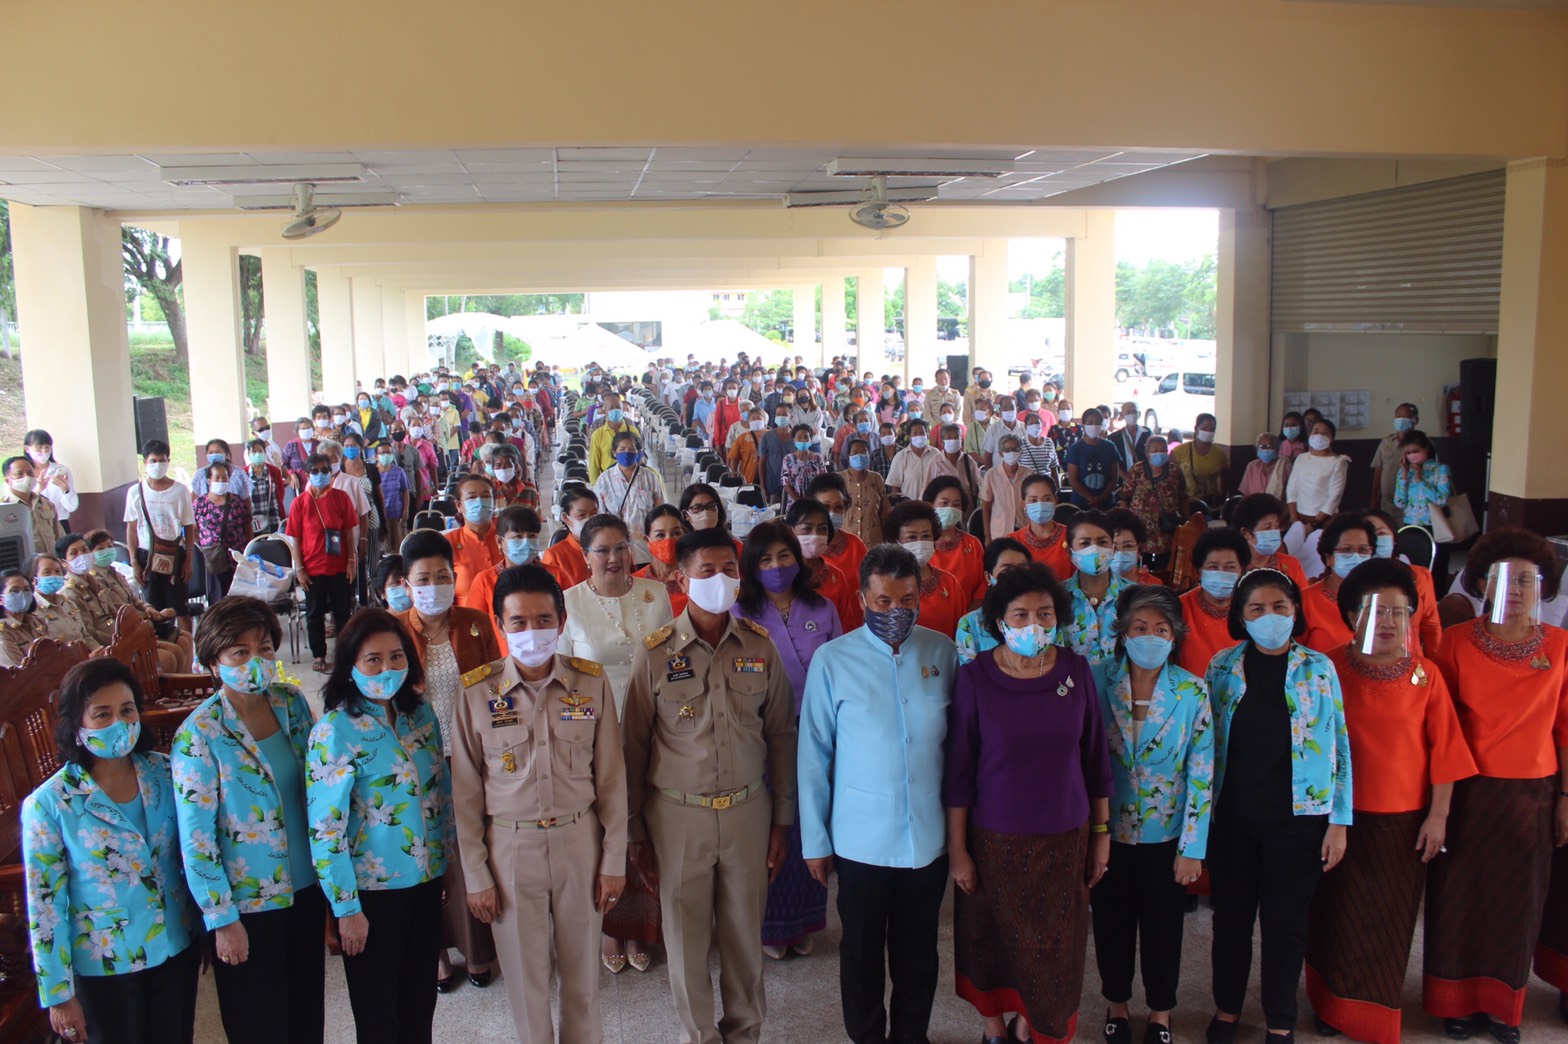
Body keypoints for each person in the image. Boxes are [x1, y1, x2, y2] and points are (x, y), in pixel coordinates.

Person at [621, 528, 797, 1044]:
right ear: (681, 578)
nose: (720, 580)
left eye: (729, 570)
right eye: (706, 571)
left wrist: (782, 819)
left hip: (748, 811)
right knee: (685, 939)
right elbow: (633, 746)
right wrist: (634, 832)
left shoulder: (760, 648)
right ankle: (698, 1035)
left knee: (745, 936)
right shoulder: (653, 654)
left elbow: (782, 733)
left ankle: (744, 1032)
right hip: (677, 817)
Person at [449, 564, 628, 1043]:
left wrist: (614, 860)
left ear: (562, 620)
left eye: (544, 620)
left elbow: (611, 779)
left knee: (583, 980)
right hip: (510, 847)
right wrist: (477, 873)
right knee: (527, 988)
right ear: (500, 626)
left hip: (579, 842)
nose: (533, 632)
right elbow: (465, 795)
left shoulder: (591, 683)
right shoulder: (476, 693)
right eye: (519, 623)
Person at [1306, 559, 1476, 1044]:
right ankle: (1328, 1001)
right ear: (1354, 615)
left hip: (1403, 824)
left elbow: (1447, 753)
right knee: (1334, 915)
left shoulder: (1428, 676)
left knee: (1389, 920)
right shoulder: (1328, 668)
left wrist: (1438, 817)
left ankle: (1375, 1010)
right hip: (1337, 818)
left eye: (1400, 613)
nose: (1388, 623)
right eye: (1376, 611)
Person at [945, 562, 1113, 1044]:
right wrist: (959, 852)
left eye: (1043, 614)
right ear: (999, 620)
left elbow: (1096, 760)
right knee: (991, 939)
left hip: (1065, 838)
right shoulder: (976, 677)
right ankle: (993, 1025)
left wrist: (1101, 838)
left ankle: (1032, 1023)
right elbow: (959, 773)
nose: (1032, 625)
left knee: (1053, 947)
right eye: (1020, 615)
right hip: (994, 840)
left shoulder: (1076, 670)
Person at [799, 542, 954, 1044]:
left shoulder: (941, 652)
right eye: (884, 601)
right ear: (864, 599)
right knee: (861, 955)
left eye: (907, 600)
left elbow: (958, 746)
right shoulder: (833, 659)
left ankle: (911, 1036)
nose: (896, 611)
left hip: (927, 839)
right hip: (860, 840)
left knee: (919, 954)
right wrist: (816, 842)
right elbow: (813, 756)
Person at [1424, 530, 1568, 1042]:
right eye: (1502, 579)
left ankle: (1504, 1007)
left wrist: (1565, 799)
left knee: (1519, 902)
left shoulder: (1560, 646)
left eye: (1527, 580)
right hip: (1468, 790)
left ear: (1543, 587)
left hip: (1534, 793)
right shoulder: (1457, 642)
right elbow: (1437, 725)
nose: (1515, 590)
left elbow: (1566, 729)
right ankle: (1456, 1003)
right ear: (1483, 583)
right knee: (1458, 896)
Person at [1204, 568, 1351, 1044]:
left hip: (1300, 824)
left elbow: (1340, 748)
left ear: (1296, 612)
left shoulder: (1319, 668)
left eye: (1280, 607)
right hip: (1233, 821)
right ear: (1241, 619)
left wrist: (1339, 821)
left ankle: (1280, 1021)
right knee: (1230, 922)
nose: (1270, 617)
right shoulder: (1221, 667)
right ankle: (1226, 1010)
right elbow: (1205, 747)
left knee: (1285, 927)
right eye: (1257, 609)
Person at [171, 597, 325, 1044]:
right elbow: (195, 840)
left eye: (264, 648)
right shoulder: (199, 734)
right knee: (258, 1022)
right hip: (247, 904)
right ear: (214, 661)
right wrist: (221, 919)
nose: (255, 661)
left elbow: (318, 789)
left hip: (307, 889)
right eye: (240, 652)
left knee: (306, 1014)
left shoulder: (291, 703)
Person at [22, 658, 199, 1044]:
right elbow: (45, 906)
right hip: (105, 964)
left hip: (174, 946)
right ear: (76, 724)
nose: (118, 723)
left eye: (127, 710)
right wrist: (58, 994)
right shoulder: (50, 804)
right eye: (102, 714)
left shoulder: (165, 772)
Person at [306, 608, 449, 1044]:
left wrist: (447, 865)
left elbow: (440, 796)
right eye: (373, 660)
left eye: (397, 657)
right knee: (378, 1013)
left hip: (425, 883)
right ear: (350, 665)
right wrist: (346, 910)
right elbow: (325, 830)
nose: (387, 669)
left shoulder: (420, 714)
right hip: (371, 895)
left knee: (419, 1003)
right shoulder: (335, 731)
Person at [1091, 585, 1216, 1044]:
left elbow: (1202, 775)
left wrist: (1192, 848)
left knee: (1164, 929)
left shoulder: (1191, 690)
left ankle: (1161, 1012)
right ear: (1122, 634)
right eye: (1140, 628)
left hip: (1167, 838)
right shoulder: (1096, 680)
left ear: (1174, 635)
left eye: (1160, 629)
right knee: (1111, 923)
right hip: (1109, 834)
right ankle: (1117, 1005)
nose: (1150, 636)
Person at [387, 529, 501, 992]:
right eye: (422, 578)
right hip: (415, 761)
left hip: (469, 756)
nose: (433, 585)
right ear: (406, 583)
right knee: (426, 855)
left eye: (441, 576)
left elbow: (497, 689)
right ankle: (434, 954)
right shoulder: (392, 628)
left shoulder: (474, 621)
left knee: (469, 853)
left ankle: (477, 953)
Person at [732, 521, 841, 961]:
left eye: (784, 557)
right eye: (765, 559)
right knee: (772, 827)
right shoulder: (740, 612)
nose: (776, 567)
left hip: (816, 731)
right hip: (761, 734)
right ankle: (769, 925)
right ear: (751, 567)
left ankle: (806, 920)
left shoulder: (824, 608)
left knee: (808, 824)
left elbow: (837, 671)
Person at [560, 513, 674, 721]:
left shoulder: (657, 593)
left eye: (621, 548)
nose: (614, 558)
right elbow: (563, 677)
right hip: (596, 720)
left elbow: (669, 657)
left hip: (655, 715)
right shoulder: (569, 602)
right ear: (585, 555)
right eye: (603, 551)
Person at [285, 454, 359, 675]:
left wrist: (351, 562)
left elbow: (348, 532)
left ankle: (345, 654)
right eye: (315, 471)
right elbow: (295, 538)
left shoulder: (341, 497)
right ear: (307, 475)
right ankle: (319, 654)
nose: (321, 475)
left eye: (325, 470)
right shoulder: (299, 503)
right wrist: (300, 568)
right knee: (314, 613)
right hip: (312, 568)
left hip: (339, 567)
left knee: (343, 612)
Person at [122, 440, 196, 634]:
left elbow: (189, 527)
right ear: (145, 462)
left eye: (162, 460)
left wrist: (188, 559)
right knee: (152, 609)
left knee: (180, 609)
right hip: (147, 558)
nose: (157, 465)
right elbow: (131, 528)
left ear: (168, 461)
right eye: (153, 461)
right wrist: (134, 561)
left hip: (175, 556)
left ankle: (187, 650)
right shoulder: (135, 493)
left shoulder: (180, 491)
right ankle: (160, 650)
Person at [1362, 509, 1443, 653]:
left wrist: (1432, 666)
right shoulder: (1352, 579)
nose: (1375, 539)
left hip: (1412, 663)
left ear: (1394, 538)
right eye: (1369, 534)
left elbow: (1431, 626)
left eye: (1381, 533)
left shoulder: (1419, 576)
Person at [1060, 511, 1132, 667]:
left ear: (1113, 548)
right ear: (1069, 551)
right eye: (1085, 543)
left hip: (1123, 688)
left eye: (1102, 542)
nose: (1094, 549)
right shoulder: (1056, 597)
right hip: (1073, 688)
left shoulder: (1135, 596)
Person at [1299, 513, 1378, 654]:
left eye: (1363, 550)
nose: (1356, 556)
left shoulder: (1381, 599)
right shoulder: (1306, 601)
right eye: (1346, 550)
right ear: (1329, 558)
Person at [885, 499, 965, 639]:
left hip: (944, 658)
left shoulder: (949, 583)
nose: (920, 542)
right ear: (895, 541)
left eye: (926, 536)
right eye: (912, 537)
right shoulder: (883, 584)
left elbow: (962, 634)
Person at [1178, 529, 1251, 677]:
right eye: (1213, 567)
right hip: (1190, 695)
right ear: (1200, 571)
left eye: (1229, 567)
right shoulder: (1180, 608)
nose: (1221, 573)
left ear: (1241, 571)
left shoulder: (1252, 608)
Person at [954, 538, 1031, 665]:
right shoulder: (970, 624)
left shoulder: (1043, 617)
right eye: (1006, 570)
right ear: (988, 576)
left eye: (1022, 569)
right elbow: (969, 675)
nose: (1016, 576)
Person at [1122, 434, 1190, 564]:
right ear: (1147, 453)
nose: (1159, 453)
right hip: (1140, 526)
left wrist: (1186, 522)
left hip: (1167, 527)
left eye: (1163, 450)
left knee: (1166, 560)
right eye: (1155, 450)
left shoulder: (1175, 470)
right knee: (1139, 560)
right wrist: (1125, 523)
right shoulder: (1137, 469)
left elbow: (1183, 497)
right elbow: (1125, 497)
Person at [193, 460, 253, 604]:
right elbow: (193, 530)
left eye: (224, 477)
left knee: (237, 601)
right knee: (217, 600)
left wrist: (247, 553)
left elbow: (247, 527)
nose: (221, 480)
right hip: (212, 560)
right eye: (217, 477)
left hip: (235, 558)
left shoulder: (237, 502)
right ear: (209, 480)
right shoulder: (200, 504)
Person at [926, 475, 986, 609]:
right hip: (930, 620)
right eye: (944, 503)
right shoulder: (921, 546)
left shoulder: (973, 544)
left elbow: (982, 584)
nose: (950, 508)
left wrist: (968, 617)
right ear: (931, 505)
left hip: (968, 619)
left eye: (956, 504)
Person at [593, 430, 666, 541]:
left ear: (638, 452)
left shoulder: (650, 477)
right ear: (614, 453)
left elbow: (660, 509)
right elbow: (599, 515)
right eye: (622, 449)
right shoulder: (604, 480)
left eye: (632, 449)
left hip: (645, 543)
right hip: (615, 541)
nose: (627, 453)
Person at [1231, 493, 1310, 591]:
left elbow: (1305, 602)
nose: (1274, 533)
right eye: (1267, 528)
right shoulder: (1233, 567)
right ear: (1246, 533)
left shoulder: (1291, 564)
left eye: (1276, 527)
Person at [1285, 418, 1350, 534]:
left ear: (1332, 438)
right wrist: (1294, 518)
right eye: (1316, 431)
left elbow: (1334, 497)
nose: (1319, 435)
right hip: (1299, 517)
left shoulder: (1338, 462)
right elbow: (1291, 489)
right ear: (1310, 434)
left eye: (1325, 433)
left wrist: (1313, 524)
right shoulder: (1301, 458)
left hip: (1324, 520)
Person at [444, 473, 503, 602]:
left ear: (493, 502)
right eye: (472, 497)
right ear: (458, 506)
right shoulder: (447, 543)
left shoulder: (509, 536)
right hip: (466, 619)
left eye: (486, 496)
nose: (480, 502)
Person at [1008, 472, 1072, 577]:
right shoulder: (1013, 542)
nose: (1040, 504)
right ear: (1024, 504)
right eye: (1033, 500)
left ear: (1055, 501)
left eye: (1047, 499)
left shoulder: (1071, 537)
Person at [2, 454, 65, 558]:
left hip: (52, 563)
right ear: (7, 481)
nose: (27, 477)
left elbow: (59, 536)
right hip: (23, 567)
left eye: (30, 473)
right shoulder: (5, 508)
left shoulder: (45, 503)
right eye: (19, 474)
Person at [540, 487, 599, 593]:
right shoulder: (554, 557)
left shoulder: (612, 547)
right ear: (566, 518)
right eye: (582, 515)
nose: (590, 520)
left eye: (594, 514)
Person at [635, 504, 688, 617]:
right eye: (660, 535)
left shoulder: (696, 580)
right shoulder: (635, 582)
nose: (669, 540)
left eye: (676, 533)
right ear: (647, 540)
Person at [1392, 429, 1452, 528]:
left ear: (1426, 448)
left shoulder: (1440, 469)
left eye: (1416, 451)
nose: (1412, 455)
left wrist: (1420, 481)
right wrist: (1404, 476)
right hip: (1409, 523)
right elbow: (1399, 503)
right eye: (1408, 453)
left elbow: (1442, 501)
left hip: (1434, 524)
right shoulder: (1404, 472)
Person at [23, 429, 79, 533]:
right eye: (39, 448)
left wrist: (65, 490)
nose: (43, 452)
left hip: (60, 522)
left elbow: (72, 507)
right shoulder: (23, 474)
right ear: (27, 449)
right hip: (34, 525)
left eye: (47, 447)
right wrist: (38, 490)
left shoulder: (61, 470)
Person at [1066, 407, 1122, 509]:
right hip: (1081, 504)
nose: (1094, 426)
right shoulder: (1075, 449)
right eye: (1090, 423)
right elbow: (1073, 480)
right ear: (1083, 424)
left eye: (1097, 423)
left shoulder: (1110, 447)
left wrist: (1102, 498)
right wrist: (1091, 498)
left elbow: (1114, 478)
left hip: (1107, 503)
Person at [836, 440, 889, 546]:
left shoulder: (876, 478)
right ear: (848, 455)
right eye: (855, 452)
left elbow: (885, 512)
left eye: (863, 452)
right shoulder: (839, 479)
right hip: (846, 542)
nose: (859, 455)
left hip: (873, 541)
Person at [1369, 403, 1419, 513]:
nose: (1401, 419)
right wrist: (1374, 500)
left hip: (1412, 503)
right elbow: (1378, 470)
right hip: (1387, 502)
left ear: (1416, 420)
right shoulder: (1386, 442)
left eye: (1406, 416)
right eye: (1398, 416)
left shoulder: (1421, 445)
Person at [588, 393, 640, 481]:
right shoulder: (598, 434)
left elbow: (639, 456)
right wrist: (595, 486)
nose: (615, 410)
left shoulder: (632, 430)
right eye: (611, 408)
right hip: (607, 480)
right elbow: (594, 463)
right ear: (605, 410)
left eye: (618, 407)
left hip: (631, 478)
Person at [780, 423, 828, 514]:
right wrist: (800, 501)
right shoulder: (788, 459)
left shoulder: (818, 458)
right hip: (796, 504)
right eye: (799, 437)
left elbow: (824, 480)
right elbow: (786, 483)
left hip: (816, 503)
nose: (803, 440)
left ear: (811, 439)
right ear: (794, 439)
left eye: (806, 437)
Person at [244, 437, 288, 536]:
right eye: (254, 451)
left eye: (260, 451)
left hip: (272, 514)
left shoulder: (274, 471)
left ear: (264, 452)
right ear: (248, 454)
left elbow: (280, 491)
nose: (257, 454)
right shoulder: (244, 473)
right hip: (252, 518)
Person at [1239, 432, 1290, 499]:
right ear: (1257, 449)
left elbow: (1291, 493)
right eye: (1263, 447)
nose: (1266, 450)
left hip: (1276, 507)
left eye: (1270, 447)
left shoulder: (1284, 466)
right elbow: (1245, 493)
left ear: (1277, 449)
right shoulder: (1252, 466)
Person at [728, 407, 767, 485]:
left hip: (769, 478)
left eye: (759, 418)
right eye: (753, 418)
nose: (756, 420)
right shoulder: (742, 438)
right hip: (749, 478)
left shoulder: (771, 436)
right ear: (749, 422)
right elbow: (734, 458)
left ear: (764, 420)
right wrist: (734, 477)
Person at [1111, 401, 1151, 472]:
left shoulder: (1148, 434)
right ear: (1122, 415)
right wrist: (1127, 479)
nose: (1131, 415)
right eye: (1128, 412)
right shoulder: (1114, 437)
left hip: (1144, 479)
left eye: (1134, 412)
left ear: (1139, 414)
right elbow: (1114, 463)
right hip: (1124, 480)